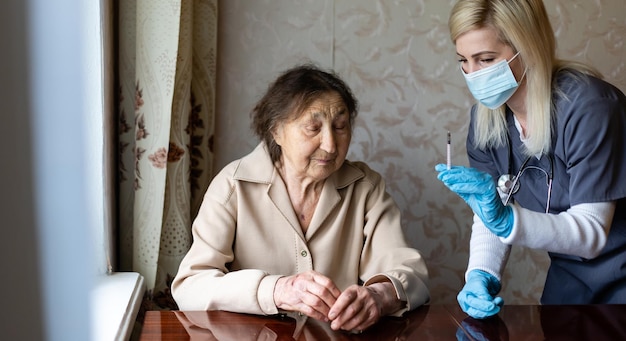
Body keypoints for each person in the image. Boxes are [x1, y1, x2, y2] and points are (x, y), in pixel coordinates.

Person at [172, 64, 430, 332]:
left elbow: (411, 275)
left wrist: (380, 296)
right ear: (276, 131)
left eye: (340, 126)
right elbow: (190, 286)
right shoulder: (233, 186)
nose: (330, 145)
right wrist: (276, 290)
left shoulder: (365, 187)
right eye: (313, 128)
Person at [435, 0, 626, 319]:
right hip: (571, 279)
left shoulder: (590, 109)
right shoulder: (487, 122)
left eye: (486, 59)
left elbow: (592, 233)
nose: (472, 74)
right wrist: (480, 274)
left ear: (528, 48)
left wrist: (507, 220)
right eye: (463, 61)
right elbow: (489, 212)